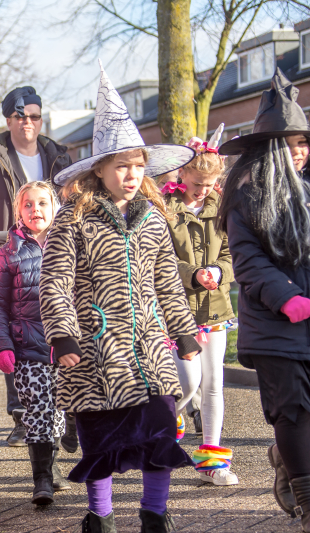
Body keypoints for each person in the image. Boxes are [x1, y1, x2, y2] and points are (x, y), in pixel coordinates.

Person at [39, 66, 200, 532]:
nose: (131, 175)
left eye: (138, 166)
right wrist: (65, 336)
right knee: (102, 440)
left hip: (150, 349)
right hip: (95, 350)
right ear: (100, 170)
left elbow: (168, 280)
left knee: (160, 431)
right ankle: (102, 518)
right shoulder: (73, 219)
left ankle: (155, 516)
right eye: (121, 166)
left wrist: (184, 330)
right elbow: (55, 282)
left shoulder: (153, 219)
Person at [218, 68, 310, 532]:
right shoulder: (246, 196)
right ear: (271, 147)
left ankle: (285, 458)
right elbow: (248, 262)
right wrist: (287, 297)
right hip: (276, 324)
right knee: (293, 412)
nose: (299, 153)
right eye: (290, 144)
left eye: (304, 144)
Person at [0, 86, 73, 447]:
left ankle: (68, 413)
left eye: (34, 115)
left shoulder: (60, 155)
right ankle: (21, 414)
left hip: (55, 248)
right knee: (15, 332)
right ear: (8, 119)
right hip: (8, 250)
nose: (28, 122)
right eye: (20, 116)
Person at [161, 125, 240, 487]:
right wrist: (193, 274)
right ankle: (167, 419)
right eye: (197, 184)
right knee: (188, 383)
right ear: (183, 174)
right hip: (178, 313)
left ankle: (212, 460)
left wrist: (218, 272)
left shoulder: (221, 207)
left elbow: (231, 253)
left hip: (216, 308)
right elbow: (158, 259)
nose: (203, 191)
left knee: (214, 385)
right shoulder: (163, 208)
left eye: (209, 185)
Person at [0, 181, 69, 506]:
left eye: (42, 204)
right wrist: (2, 344)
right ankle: (42, 479)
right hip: (27, 348)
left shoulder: (68, 246)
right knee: (37, 411)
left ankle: (55, 464)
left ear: (54, 208)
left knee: (60, 410)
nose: (36, 210)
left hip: (66, 348)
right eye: (28, 205)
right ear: (19, 211)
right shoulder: (7, 253)